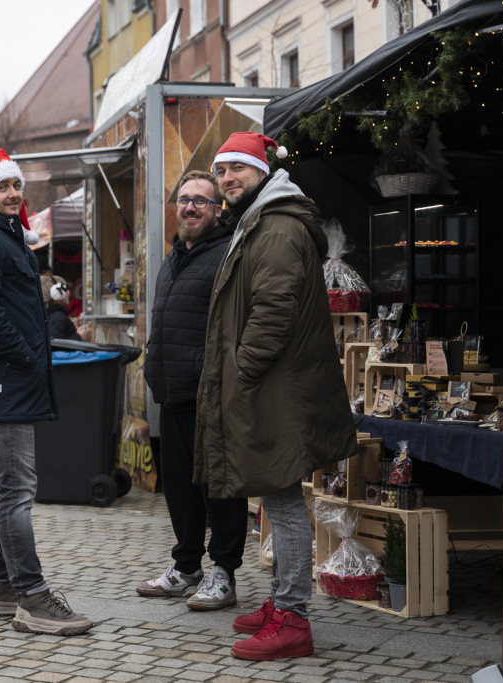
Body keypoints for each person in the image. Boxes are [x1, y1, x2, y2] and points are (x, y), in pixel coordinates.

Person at [195, 132, 357, 661]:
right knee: (274, 496)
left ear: (262, 172)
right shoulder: (260, 220)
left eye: (237, 169)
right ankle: (281, 599)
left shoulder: (279, 226)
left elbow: (273, 308)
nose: (227, 179)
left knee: (283, 501)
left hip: (274, 387)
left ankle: (293, 618)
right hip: (271, 385)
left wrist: (242, 370)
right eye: (221, 171)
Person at [0, 148, 92, 636]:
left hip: (5, 377)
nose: (13, 194)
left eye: (16, 186)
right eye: (2, 186)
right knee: (17, 489)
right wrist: (25, 355)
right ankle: (31, 596)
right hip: (4, 378)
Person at [137, 170, 247, 610]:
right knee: (180, 490)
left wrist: (210, 372)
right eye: (183, 199)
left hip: (210, 395)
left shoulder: (227, 254)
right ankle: (186, 567)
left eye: (201, 200)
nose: (189, 207)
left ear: (218, 210)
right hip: (172, 392)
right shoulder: (173, 258)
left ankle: (224, 573)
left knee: (218, 489)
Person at [40, 274, 80, 341]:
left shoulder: (53, 315)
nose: (68, 292)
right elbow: (57, 344)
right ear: (55, 292)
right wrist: (79, 336)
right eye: (65, 289)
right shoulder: (57, 318)